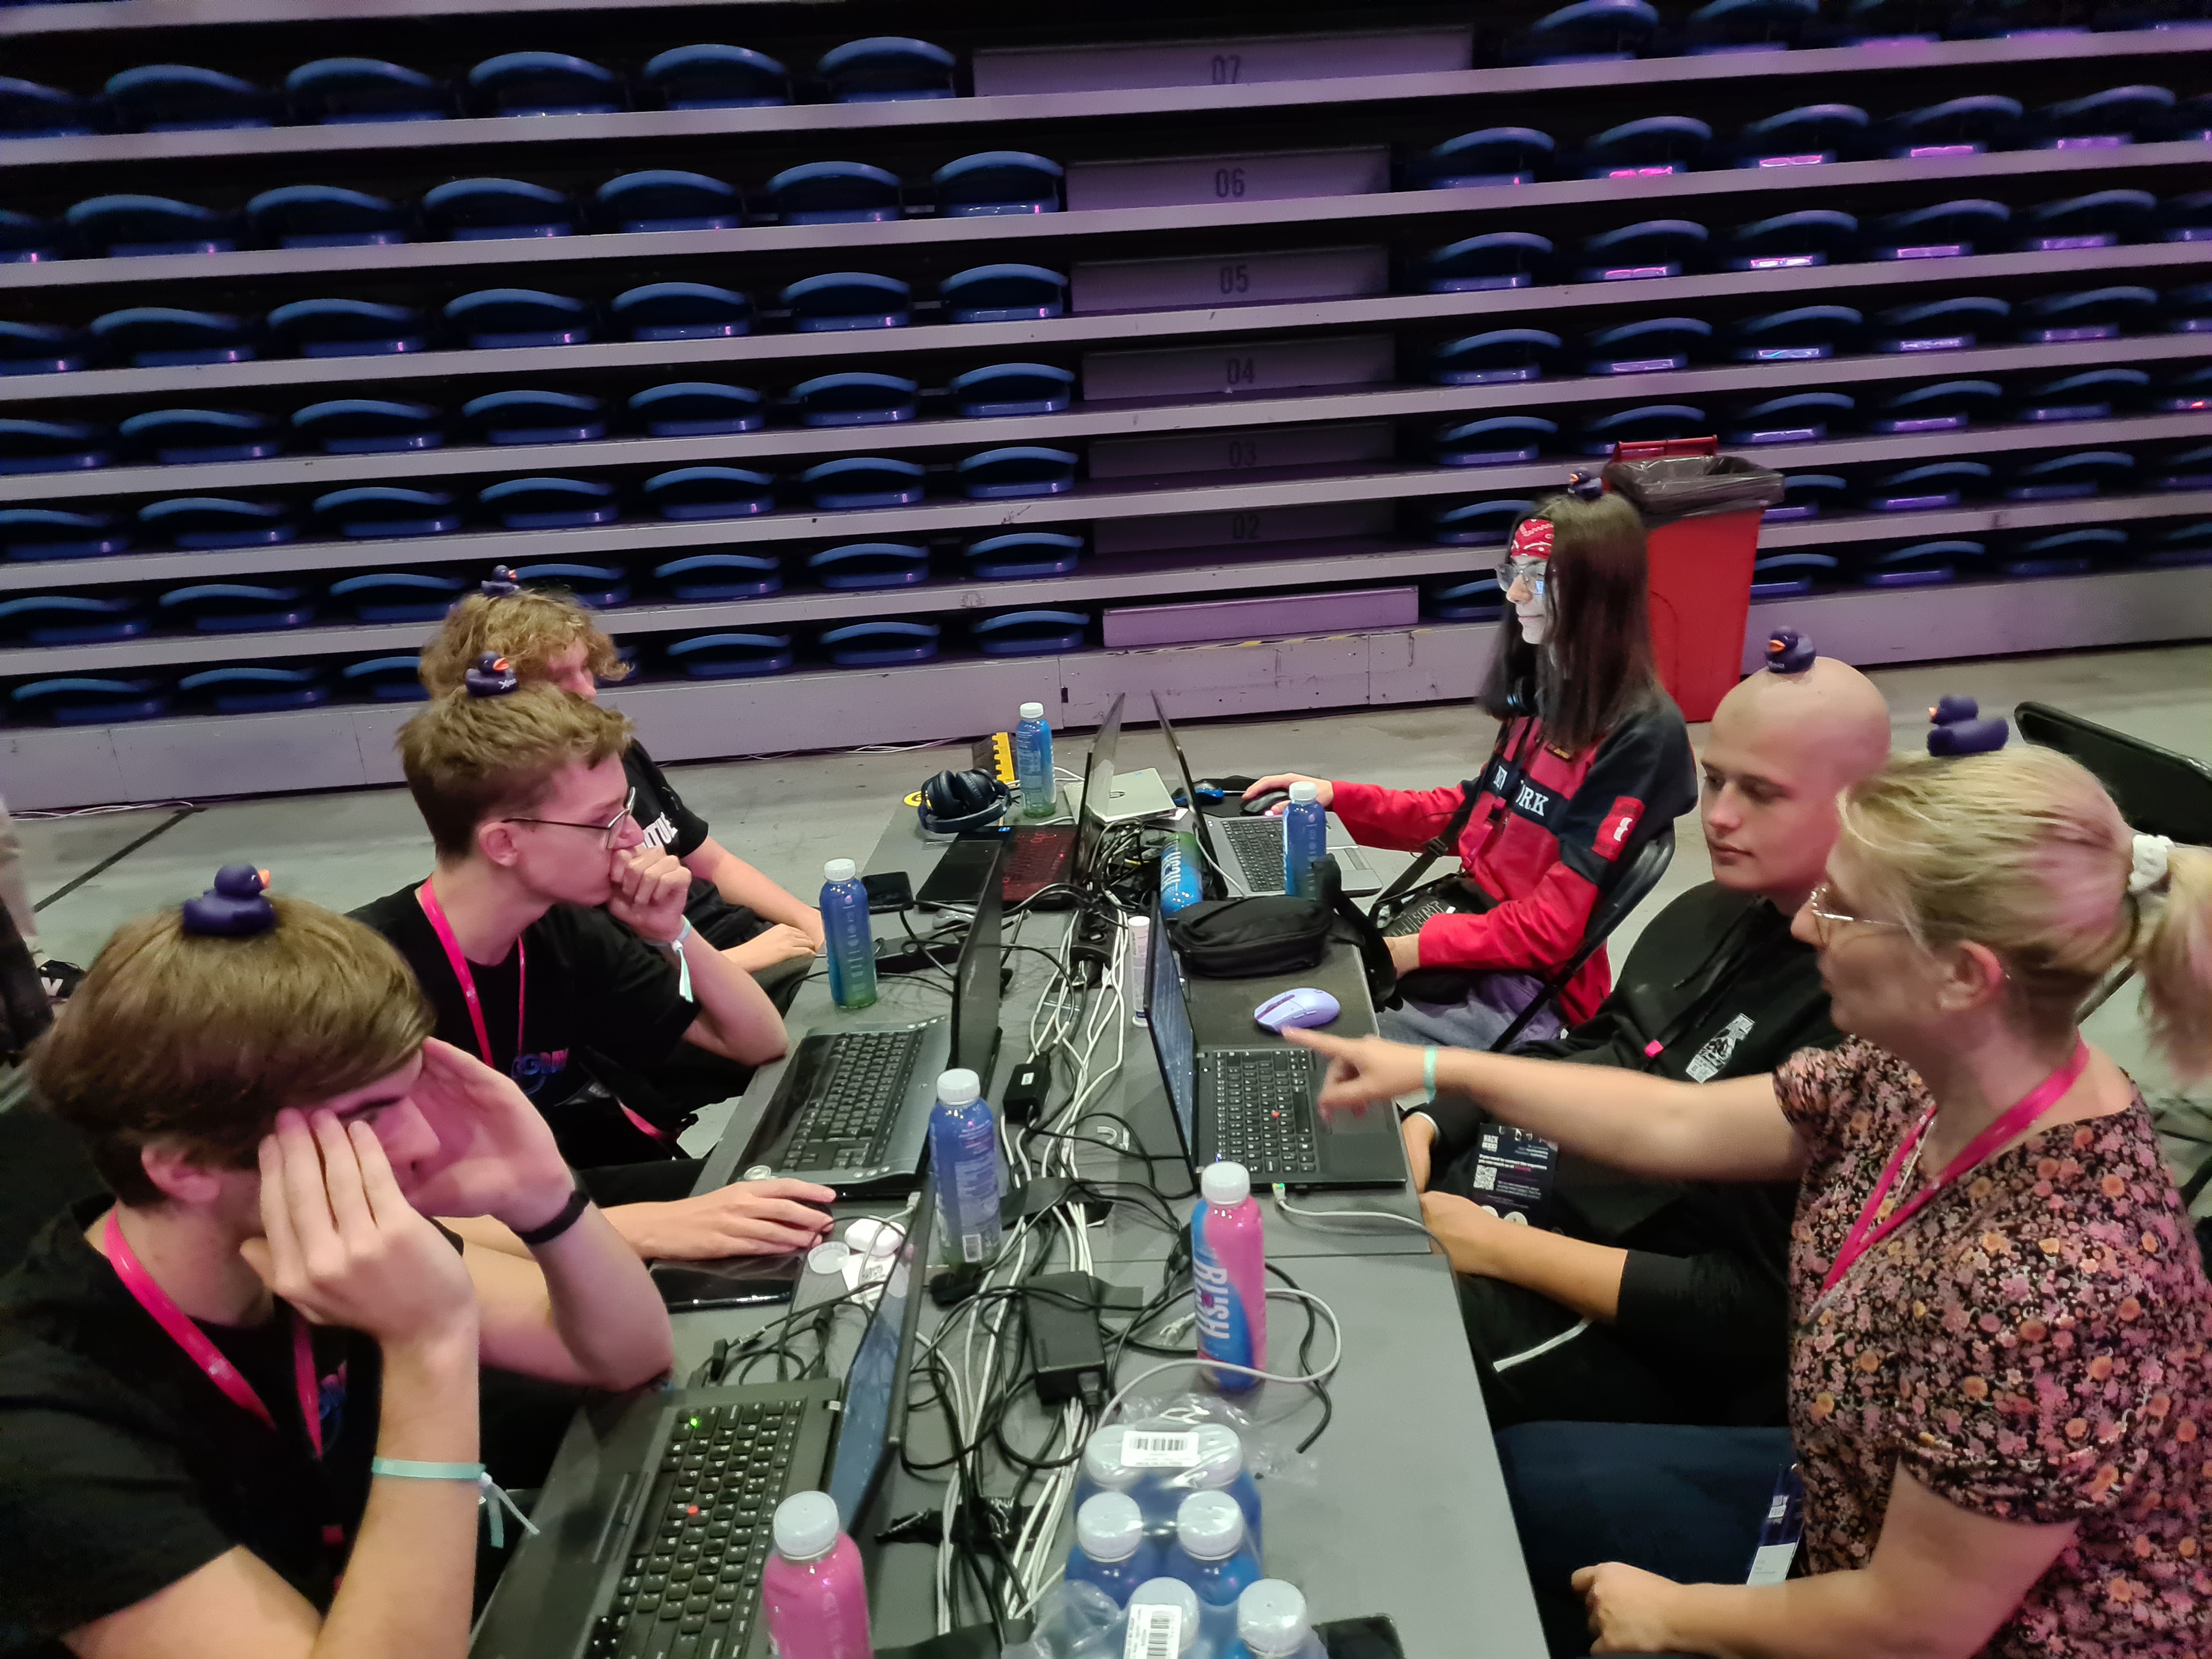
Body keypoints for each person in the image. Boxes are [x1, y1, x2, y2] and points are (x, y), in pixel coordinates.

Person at [1292, 741, 2212, 1659]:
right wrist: (1436, 1073)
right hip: (1847, 1489)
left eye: (1842, 908)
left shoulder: (2054, 1283)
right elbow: (1675, 1121)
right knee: (1523, 1482)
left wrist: (1676, 1614)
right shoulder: (1928, 1068)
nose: (1807, 927)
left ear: (1964, 974)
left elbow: (1920, 1623)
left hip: (1966, 1624)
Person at [0, 870, 676, 1658]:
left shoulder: (307, 1234)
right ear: (186, 1166)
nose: (421, 1141)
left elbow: (628, 1355)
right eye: (366, 1119)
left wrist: (543, 1199)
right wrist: (429, 1349)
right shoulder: (39, 1424)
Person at [1404, 633, 1895, 1429]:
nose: (1719, 817)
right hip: (1546, 1205)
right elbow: (1596, 1047)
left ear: (1861, 802)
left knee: (1393, 1350)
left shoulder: (1864, 1020)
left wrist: (1498, 1249)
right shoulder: (1711, 911)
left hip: (1656, 1338)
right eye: (1715, 780)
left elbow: (1748, 1312)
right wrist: (1436, 1118)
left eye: (1763, 794)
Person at [354, 659, 833, 1263]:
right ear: (504, 842)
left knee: (804, 1198)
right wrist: (645, 1229)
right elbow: (380, 1222)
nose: (633, 837)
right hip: (443, 1251)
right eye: (603, 821)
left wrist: (674, 933)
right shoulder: (365, 983)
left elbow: (758, 1042)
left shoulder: (564, 927)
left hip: (545, 1198)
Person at [1246, 486, 1697, 1049]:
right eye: (1514, 572)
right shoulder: (1548, 693)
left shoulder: (1638, 733)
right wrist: (1335, 798)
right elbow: (1468, 814)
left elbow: (1553, 930)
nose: (1516, 594)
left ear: (1599, 589)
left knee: (1294, 1042)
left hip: (1524, 988)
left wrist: (1416, 949)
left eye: (1540, 577)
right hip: (1465, 930)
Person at [420, 574, 825, 989]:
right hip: (685, 977)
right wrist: (733, 962)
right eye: (558, 679)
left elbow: (710, 860)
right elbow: (605, 979)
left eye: (585, 669)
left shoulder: (613, 751)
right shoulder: (528, 829)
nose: (588, 692)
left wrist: (809, 919)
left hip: (729, 944)